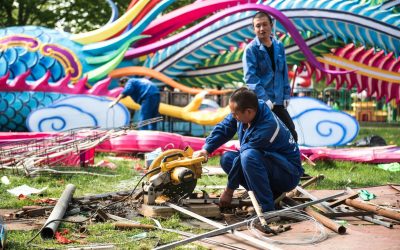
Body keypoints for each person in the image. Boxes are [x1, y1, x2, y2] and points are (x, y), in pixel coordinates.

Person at [194, 87, 303, 212]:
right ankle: (270, 195)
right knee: (227, 159)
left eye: (235, 114)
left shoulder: (268, 127)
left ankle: (268, 209)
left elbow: (243, 157)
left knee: (248, 157)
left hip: (287, 175)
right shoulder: (248, 110)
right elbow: (225, 127)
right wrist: (206, 149)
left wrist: (229, 191)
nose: (233, 116)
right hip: (271, 164)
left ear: (249, 112)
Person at [243, 11, 298, 142]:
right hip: (261, 103)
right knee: (264, 134)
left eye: (264, 24)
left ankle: (290, 161)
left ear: (271, 25)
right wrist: (263, 98)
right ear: (254, 28)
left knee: (291, 133)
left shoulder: (279, 46)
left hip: (278, 100)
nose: (261, 29)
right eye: (258, 26)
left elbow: (283, 73)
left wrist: (286, 95)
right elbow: (250, 78)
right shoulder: (251, 50)